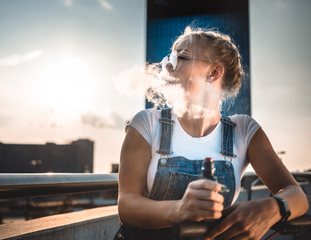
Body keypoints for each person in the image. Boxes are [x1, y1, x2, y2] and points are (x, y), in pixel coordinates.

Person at [114, 26, 309, 240]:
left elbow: (296, 195)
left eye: (181, 57)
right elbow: (127, 206)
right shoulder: (147, 123)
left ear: (214, 72)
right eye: (170, 57)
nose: (169, 66)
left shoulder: (244, 130)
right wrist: (181, 209)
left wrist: (271, 208)